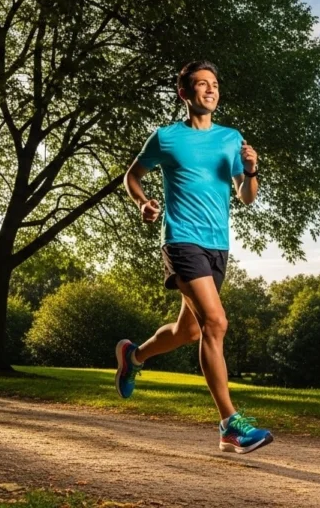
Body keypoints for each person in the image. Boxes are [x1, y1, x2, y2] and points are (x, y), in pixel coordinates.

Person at [115, 60, 272, 454]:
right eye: (201, 85)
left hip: (218, 245)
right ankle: (230, 424)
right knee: (216, 323)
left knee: (190, 332)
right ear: (185, 93)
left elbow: (246, 197)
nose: (210, 90)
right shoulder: (166, 138)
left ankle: (134, 356)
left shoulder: (231, 139)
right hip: (182, 241)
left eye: (215, 84)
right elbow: (131, 176)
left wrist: (251, 172)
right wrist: (143, 202)